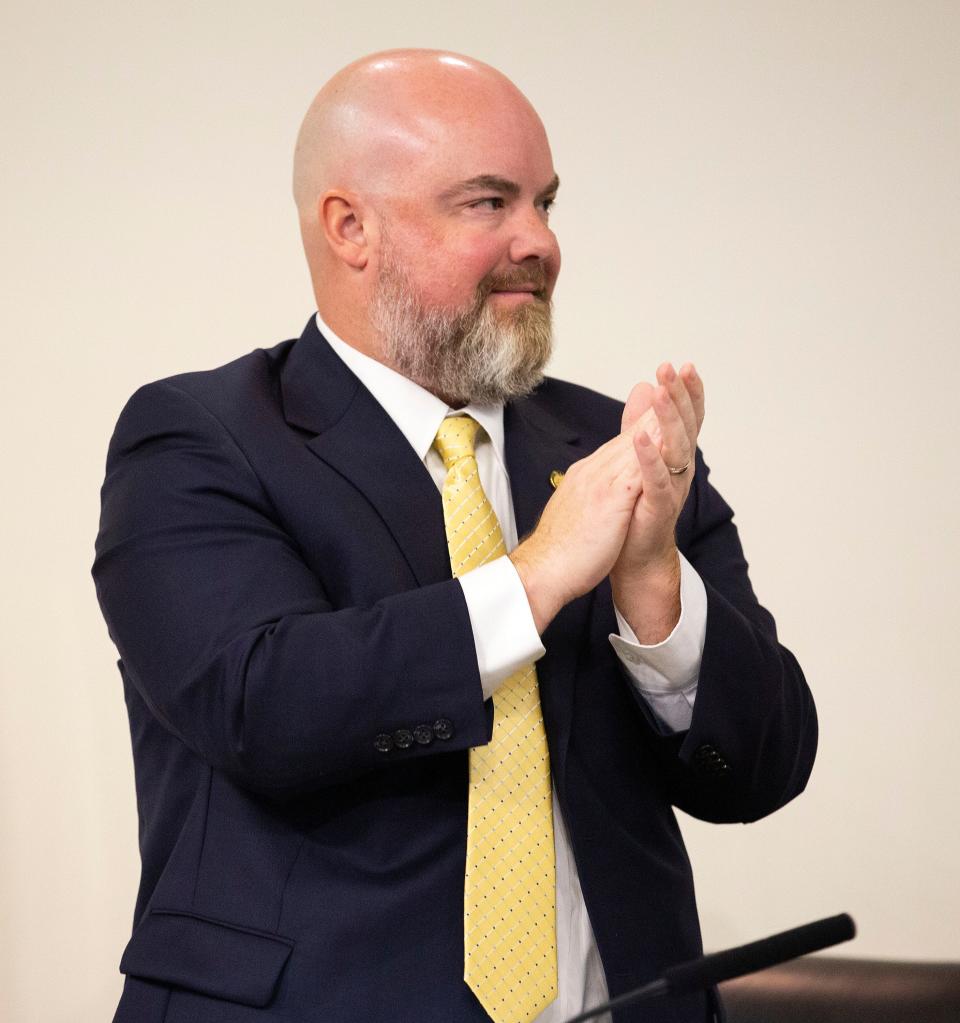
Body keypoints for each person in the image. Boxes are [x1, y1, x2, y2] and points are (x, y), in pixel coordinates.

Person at [93, 49, 816, 1023]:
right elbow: (259, 705)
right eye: (487, 204)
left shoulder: (621, 449)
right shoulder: (201, 438)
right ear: (351, 227)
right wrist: (535, 578)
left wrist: (655, 587)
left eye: (545, 204)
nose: (539, 243)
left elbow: (762, 768)